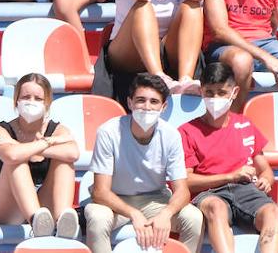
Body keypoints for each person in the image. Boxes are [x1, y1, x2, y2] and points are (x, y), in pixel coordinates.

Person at [84, 73, 204, 253]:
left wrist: (166, 214)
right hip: (114, 200)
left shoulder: (171, 136)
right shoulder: (108, 132)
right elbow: (101, 192)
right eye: (141, 100)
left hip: (156, 199)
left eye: (154, 102)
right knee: (97, 218)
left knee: (194, 218)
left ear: (164, 107)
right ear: (130, 102)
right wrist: (134, 214)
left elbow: (182, 190)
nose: (147, 107)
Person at [180, 62, 278, 253]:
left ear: (234, 92)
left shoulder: (245, 123)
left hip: (246, 191)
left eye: (221, 92)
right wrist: (231, 176)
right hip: (208, 193)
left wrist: (266, 180)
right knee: (216, 208)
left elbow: (265, 169)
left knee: (274, 212)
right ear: (201, 92)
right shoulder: (187, 131)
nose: (215, 98)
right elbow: (186, 181)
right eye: (209, 92)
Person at [0, 72, 80, 238]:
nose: (31, 102)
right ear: (16, 101)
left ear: (47, 103)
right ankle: (37, 222)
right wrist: (46, 143)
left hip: (44, 203)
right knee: (18, 162)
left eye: (38, 98)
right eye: (26, 97)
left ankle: (62, 220)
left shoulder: (57, 129)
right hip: (7, 206)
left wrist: (31, 148)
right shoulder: (1, 130)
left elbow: (73, 153)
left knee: (64, 161)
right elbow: (12, 156)